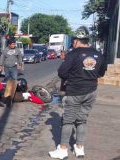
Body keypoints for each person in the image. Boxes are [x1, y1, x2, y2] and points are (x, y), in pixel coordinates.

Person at [49, 26, 106, 159]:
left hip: (75, 91)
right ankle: (79, 148)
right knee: (82, 120)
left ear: (77, 40)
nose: (73, 43)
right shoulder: (98, 54)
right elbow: (101, 73)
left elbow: (62, 72)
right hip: (91, 91)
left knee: (68, 121)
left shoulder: (73, 54)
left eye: (74, 40)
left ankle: (63, 149)